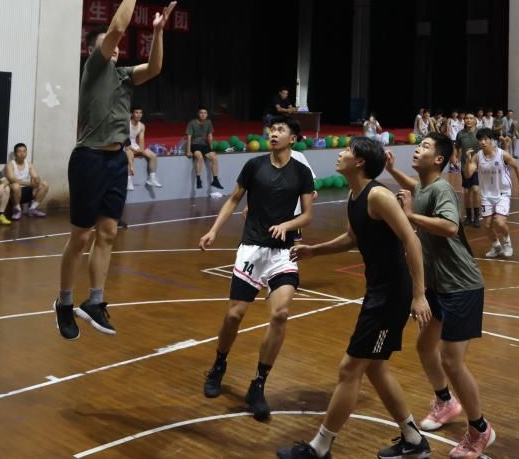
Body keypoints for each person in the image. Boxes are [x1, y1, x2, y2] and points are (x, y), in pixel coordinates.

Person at [277, 137, 432, 459]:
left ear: (360, 161)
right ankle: (413, 439)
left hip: (391, 295)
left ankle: (320, 447)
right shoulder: (354, 195)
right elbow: (352, 238)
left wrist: (419, 296)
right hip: (378, 291)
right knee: (374, 369)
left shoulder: (378, 196)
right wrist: (315, 250)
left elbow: (412, 241)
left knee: (350, 369)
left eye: (347, 150)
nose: (341, 153)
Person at [54, 0, 175, 341]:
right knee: (81, 237)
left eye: (118, 47)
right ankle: (63, 302)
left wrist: (158, 32)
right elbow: (118, 27)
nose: (118, 48)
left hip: (115, 159)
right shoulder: (94, 68)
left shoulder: (123, 76)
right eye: (110, 45)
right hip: (89, 158)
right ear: (96, 50)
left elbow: (154, 69)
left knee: (107, 233)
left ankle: (95, 301)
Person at [387, 134, 497, 459]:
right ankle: (446, 403)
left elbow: (449, 226)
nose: (417, 149)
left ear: (438, 159)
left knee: (451, 360)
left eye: (424, 147)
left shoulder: (441, 189)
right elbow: (414, 188)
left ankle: (480, 429)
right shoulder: (424, 187)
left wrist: (409, 216)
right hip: (438, 285)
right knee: (425, 346)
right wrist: (392, 171)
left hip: (461, 285)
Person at [198, 116, 315, 421]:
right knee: (234, 315)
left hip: (284, 252)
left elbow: (307, 216)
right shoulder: (254, 166)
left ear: (292, 139)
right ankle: (219, 365)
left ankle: (259, 384)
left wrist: (287, 225)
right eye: (272, 129)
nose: (273, 133)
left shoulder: (302, 172)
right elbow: (233, 200)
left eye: (280, 130)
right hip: (252, 248)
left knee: (280, 314)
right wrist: (213, 230)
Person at [466, 129, 519, 259]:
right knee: (487, 225)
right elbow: (468, 174)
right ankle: (496, 246)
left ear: (491, 140)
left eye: (485, 139)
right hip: (486, 195)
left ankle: (507, 243)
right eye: (480, 140)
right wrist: (468, 161)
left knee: (499, 222)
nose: (482, 142)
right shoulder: (477, 156)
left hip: (502, 193)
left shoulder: (501, 154)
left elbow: (517, 167)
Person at [5, 142, 50, 218]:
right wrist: (29, 184)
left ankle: (33, 208)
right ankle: (17, 210)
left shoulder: (29, 164)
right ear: (15, 153)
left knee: (44, 184)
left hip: (28, 190)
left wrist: (37, 180)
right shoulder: (10, 164)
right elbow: (12, 179)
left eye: (24, 151)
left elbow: (35, 176)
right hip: (15, 193)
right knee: (15, 186)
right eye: (19, 151)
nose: (22, 153)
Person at [186, 107, 222, 194]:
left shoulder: (208, 122)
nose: (203, 114)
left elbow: (210, 136)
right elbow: (189, 137)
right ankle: (198, 180)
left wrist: (212, 149)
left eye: (205, 113)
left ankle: (215, 180)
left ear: (207, 114)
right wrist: (188, 150)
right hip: (194, 145)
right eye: (201, 113)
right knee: (200, 157)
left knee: (214, 157)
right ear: (198, 114)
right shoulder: (192, 123)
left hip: (204, 145)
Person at [456, 113, 482, 227]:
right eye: (466, 118)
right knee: (466, 192)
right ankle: (468, 217)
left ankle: (476, 217)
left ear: (475, 121)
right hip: (465, 166)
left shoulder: (480, 133)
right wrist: (454, 157)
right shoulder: (460, 134)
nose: (468, 120)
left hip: (477, 166)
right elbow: (456, 147)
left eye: (471, 118)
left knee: (475, 190)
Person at [124, 107, 160, 190]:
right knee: (130, 154)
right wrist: (134, 150)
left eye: (140, 113)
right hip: (125, 144)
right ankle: (129, 181)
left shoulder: (142, 126)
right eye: (136, 112)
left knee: (153, 156)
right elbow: (125, 139)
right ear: (132, 114)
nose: (139, 115)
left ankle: (152, 178)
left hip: (134, 144)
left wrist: (141, 150)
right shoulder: (127, 123)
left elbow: (141, 141)